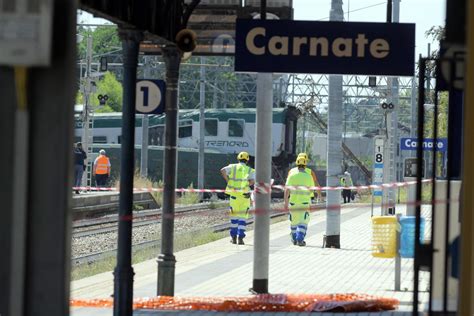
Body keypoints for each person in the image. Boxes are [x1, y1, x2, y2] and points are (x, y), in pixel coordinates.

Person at [220, 151, 255, 245]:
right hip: (245, 196)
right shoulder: (250, 170)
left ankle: (233, 237)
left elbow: (222, 170)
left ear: (238, 159)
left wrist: (229, 181)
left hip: (234, 196)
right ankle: (241, 238)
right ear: (247, 160)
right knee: (242, 218)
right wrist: (247, 184)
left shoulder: (233, 167)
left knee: (234, 217)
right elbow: (252, 181)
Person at [284, 156, 315, 246]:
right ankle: (300, 239)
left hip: (293, 203)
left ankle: (294, 239)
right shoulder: (309, 177)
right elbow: (311, 190)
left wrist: (285, 202)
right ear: (305, 165)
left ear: (297, 164)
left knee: (293, 222)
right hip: (304, 203)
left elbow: (287, 190)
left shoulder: (292, 176)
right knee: (303, 222)